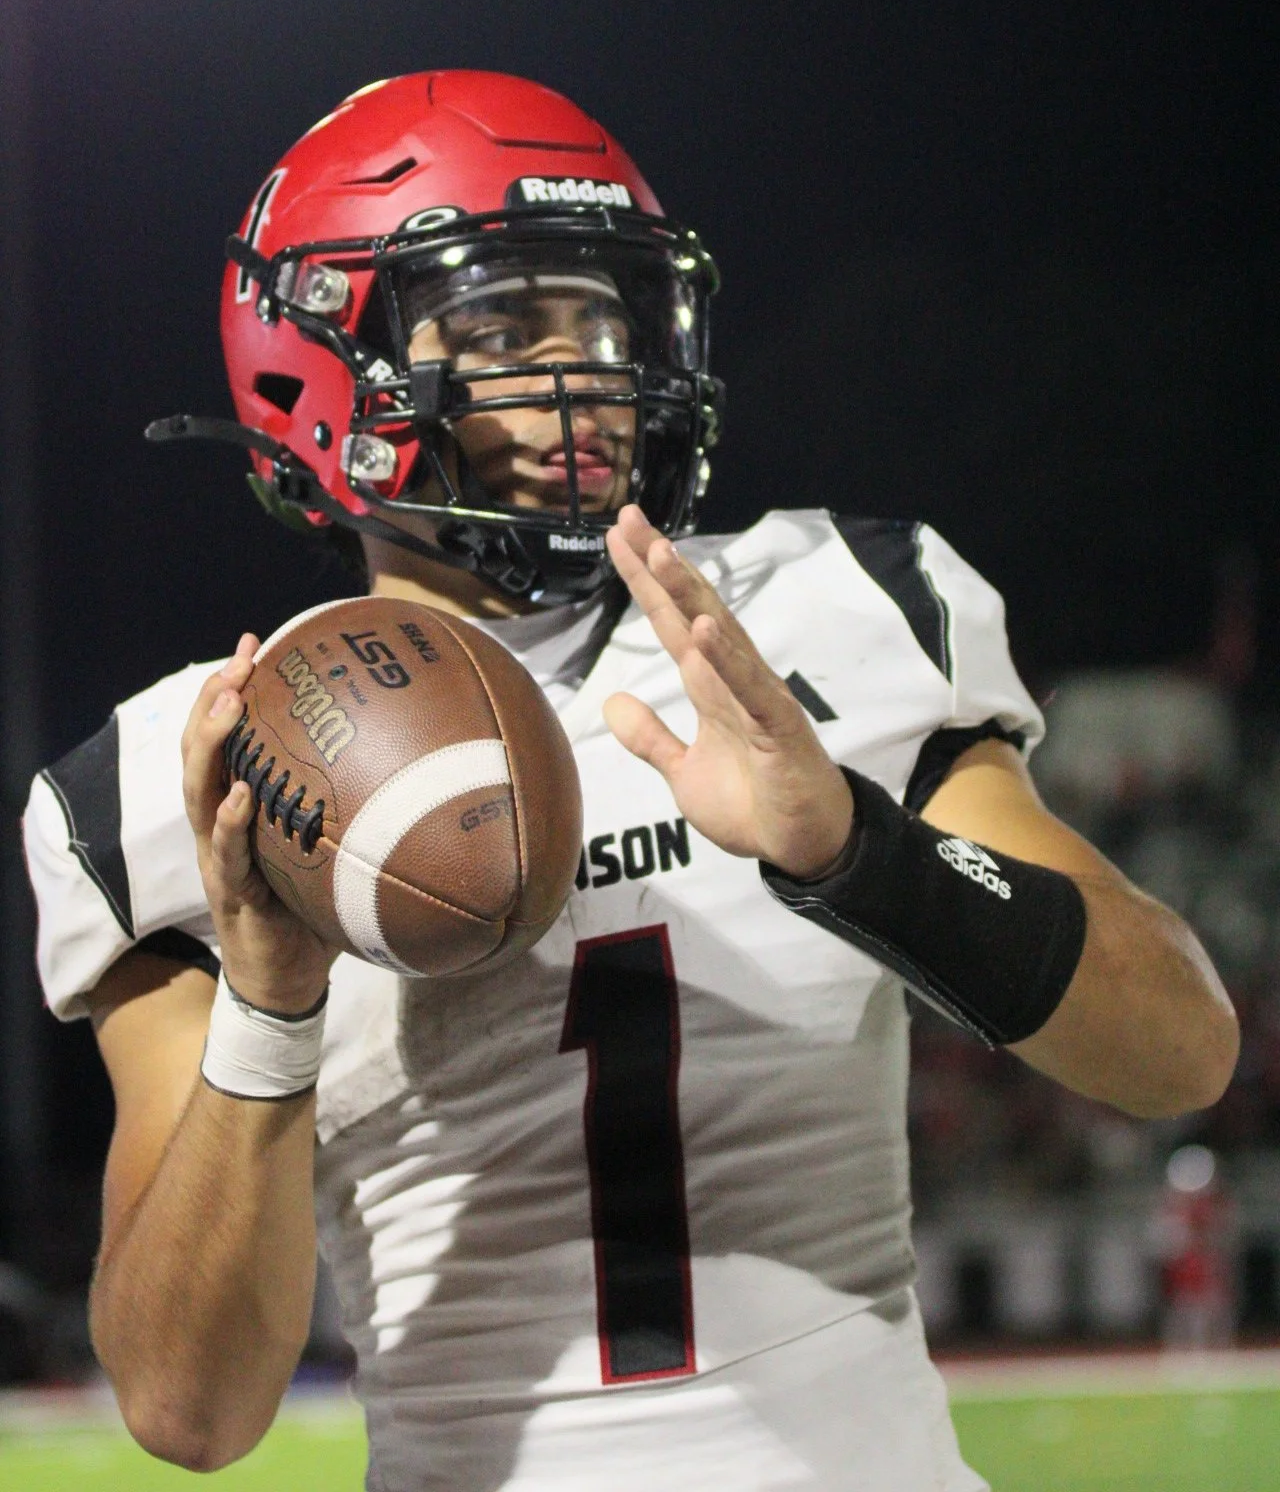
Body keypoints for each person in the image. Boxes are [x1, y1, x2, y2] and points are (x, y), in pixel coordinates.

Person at [24, 72, 1238, 1491]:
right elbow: (190, 1412)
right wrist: (268, 1004)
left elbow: (1180, 1050)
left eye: (601, 321)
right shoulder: (199, 766)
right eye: (500, 326)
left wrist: (860, 853)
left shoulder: (825, 604)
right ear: (323, 372)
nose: (584, 376)